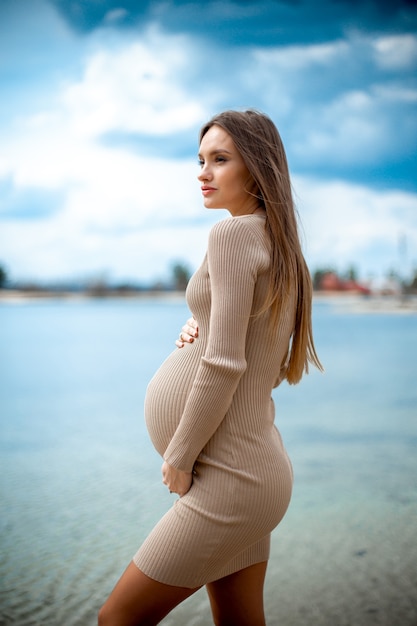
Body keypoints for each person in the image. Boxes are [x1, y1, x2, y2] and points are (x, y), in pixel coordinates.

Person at [98, 109, 323, 626]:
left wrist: (179, 456)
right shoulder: (280, 245)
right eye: (200, 160)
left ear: (258, 168)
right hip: (253, 469)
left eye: (220, 160)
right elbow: (243, 338)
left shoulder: (232, 237)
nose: (203, 172)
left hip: (232, 477)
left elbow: (224, 363)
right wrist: (194, 322)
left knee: (117, 619)